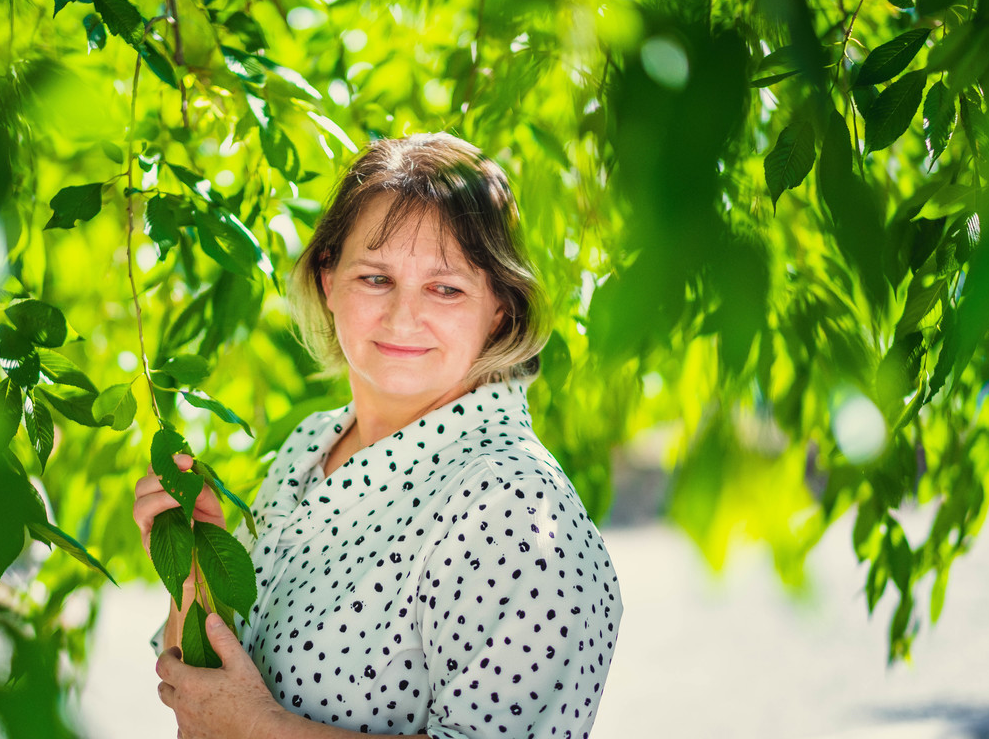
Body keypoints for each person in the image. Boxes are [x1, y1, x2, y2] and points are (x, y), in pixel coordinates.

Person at [133, 133, 622, 739]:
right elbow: (207, 703)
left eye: (446, 288)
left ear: (500, 309)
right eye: (375, 278)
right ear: (328, 277)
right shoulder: (308, 448)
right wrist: (198, 567)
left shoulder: (515, 510)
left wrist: (261, 730)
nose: (401, 318)